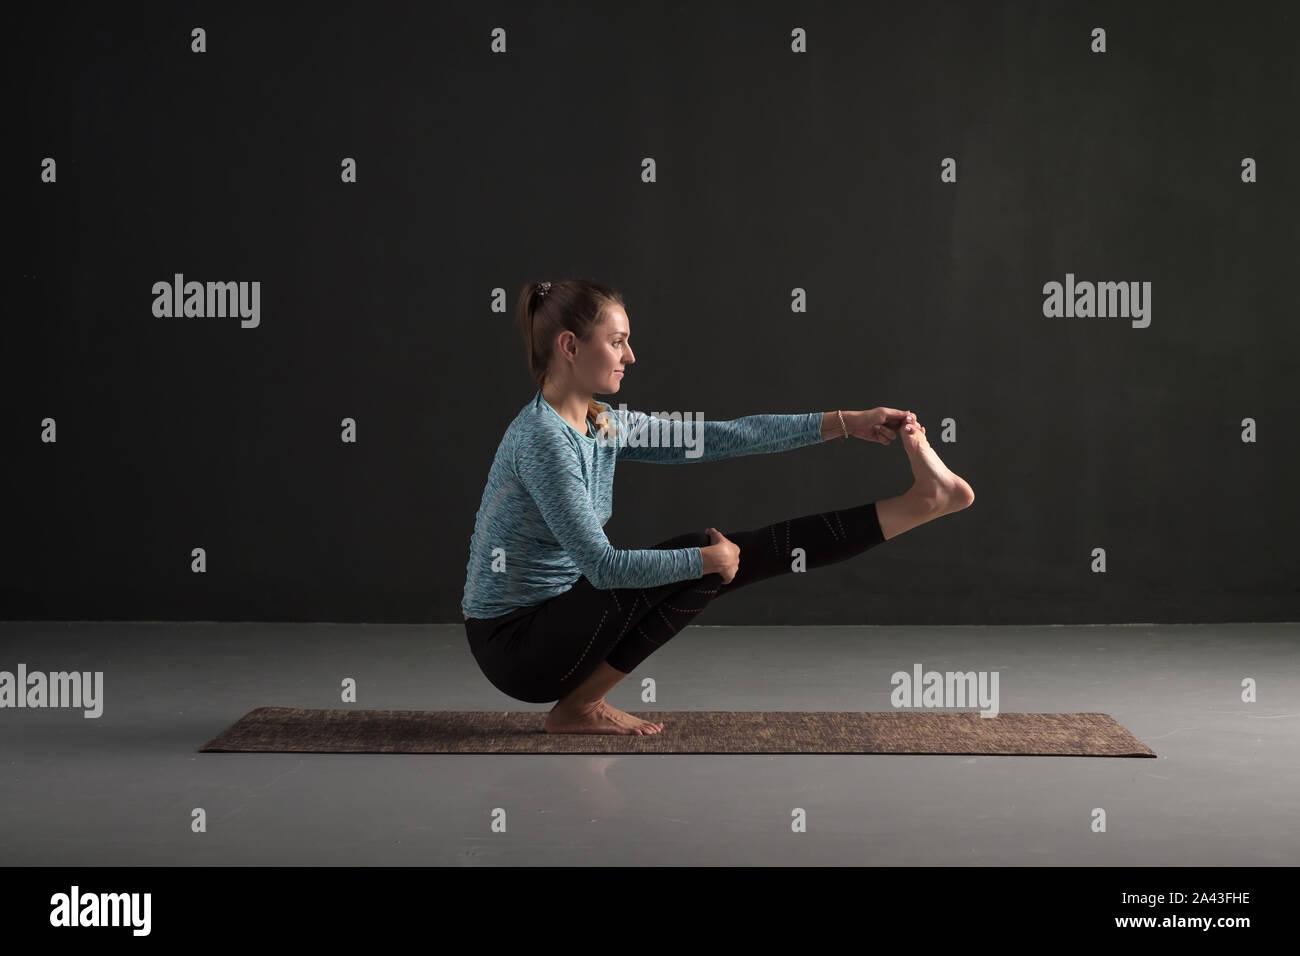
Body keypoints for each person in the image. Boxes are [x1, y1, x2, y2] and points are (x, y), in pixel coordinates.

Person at [461, 278, 974, 735]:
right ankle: (580, 704)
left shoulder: (602, 423)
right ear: (570, 346)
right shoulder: (545, 441)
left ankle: (921, 503)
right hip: (517, 648)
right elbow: (603, 567)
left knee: (726, 561)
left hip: (560, 620)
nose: (631, 355)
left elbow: (722, 438)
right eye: (617, 342)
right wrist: (705, 561)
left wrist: (846, 420)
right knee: (709, 556)